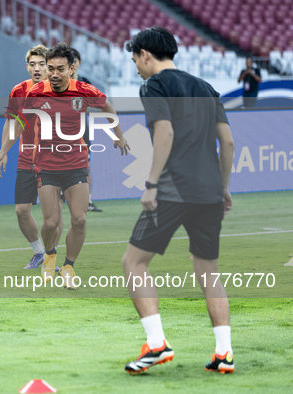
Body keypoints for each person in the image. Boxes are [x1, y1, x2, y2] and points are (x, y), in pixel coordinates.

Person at [123, 26, 235, 374]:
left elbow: (165, 132)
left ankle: (156, 345)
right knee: (208, 271)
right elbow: (228, 143)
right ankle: (224, 354)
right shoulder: (206, 88)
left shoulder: (154, 85)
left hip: (173, 190)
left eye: (135, 60)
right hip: (209, 193)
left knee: (133, 263)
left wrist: (152, 183)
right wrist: (224, 187)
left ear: (145, 54)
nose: (137, 68)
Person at [0, 43, 129, 290]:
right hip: (46, 165)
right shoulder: (36, 93)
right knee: (51, 223)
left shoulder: (83, 90)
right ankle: (49, 255)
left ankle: (69, 266)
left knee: (80, 219)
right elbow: (18, 122)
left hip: (76, 164)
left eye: (60, 69)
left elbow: (106, 107)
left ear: (71, 68)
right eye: (50, 68)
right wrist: (2, 151)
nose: (53, 74)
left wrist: (118, 135)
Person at [0, 44, 63, 270]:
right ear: (27, 67)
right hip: (26, 158)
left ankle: (51, 258)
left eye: (42, 64)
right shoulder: (19, 91)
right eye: (33, 64)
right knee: (21, 210)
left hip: (54, 158)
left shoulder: (60, 90)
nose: (37, 68)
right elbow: (11, 123)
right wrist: (3, 153)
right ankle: (39, 252)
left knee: (54, 214)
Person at [70, 47, 102, 213]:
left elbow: (88, 106)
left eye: (74, 61)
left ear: (79, 63)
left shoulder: (85, 82)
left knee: (85, 165)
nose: (72, 65)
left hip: (82, 129)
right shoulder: (57, 83)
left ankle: (88, 201)